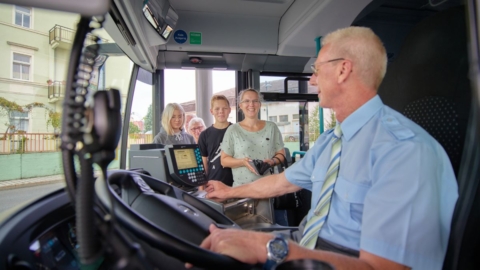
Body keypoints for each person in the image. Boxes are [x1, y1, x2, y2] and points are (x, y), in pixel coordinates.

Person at [192, 26, 458, 270]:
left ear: (343, 70)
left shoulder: (404, 151)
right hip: (308, 240)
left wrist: (267, 248)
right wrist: (230, 191)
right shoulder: (330, 141)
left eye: (317, 69)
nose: (312, 80)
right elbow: (281, 183)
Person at [221, 88, 288, 226]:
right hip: (242, 194)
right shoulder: (233, 130)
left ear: (260, 104)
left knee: (278, 235)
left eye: (255, 101)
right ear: (240, 105)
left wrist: (272, 162)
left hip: (270, 192)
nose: (251, 104)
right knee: (245, 238)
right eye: (246, 101)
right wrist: (243, 162)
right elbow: (224, 160)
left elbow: (281, 154)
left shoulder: (271, 127)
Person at [198, 95, 234, 187]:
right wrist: (202, 187)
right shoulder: (204, 135)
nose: (221, 111)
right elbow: (203, 163)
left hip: (235, 185)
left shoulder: (236, 131)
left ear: (229, 110)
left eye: (224, 108)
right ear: (211, 111)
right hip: (213, 185)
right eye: (217, 109)